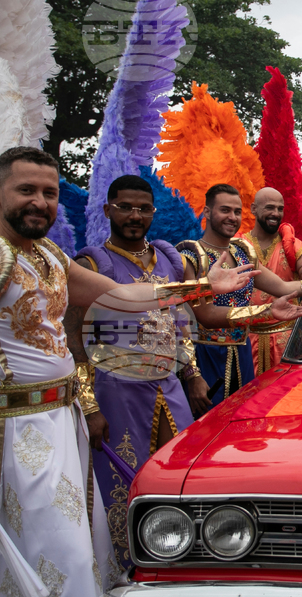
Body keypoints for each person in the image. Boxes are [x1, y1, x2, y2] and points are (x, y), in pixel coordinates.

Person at [0, 147, 261, 597]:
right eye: (25, 191)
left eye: (49, 193)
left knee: (74, 547)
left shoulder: (47, 255)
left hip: (61, 420)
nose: (40, 202)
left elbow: (124, 295)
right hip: (19, 429)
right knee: (55, 551)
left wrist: (204, 286)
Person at [69, 175, 202, 568]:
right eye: (125, 207)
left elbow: (179, 321)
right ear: (108, 209)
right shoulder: (92, 263)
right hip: (116, 390)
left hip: (168, 386)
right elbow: (73, 337)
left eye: (143, 208)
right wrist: (89, 405)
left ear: (153, 213)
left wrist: (191, 372)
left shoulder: (167, 259)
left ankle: (182, 560)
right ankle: (130, 568)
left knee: (177, 476)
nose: (134, 215)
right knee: (122, 481)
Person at [177, 184, 302, 407]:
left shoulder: (242, 252)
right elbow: (206, 315)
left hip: (242, 353)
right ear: (208, 212)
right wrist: (266, 311)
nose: (232, 217)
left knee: (243, 422)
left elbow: (282, 286)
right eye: (225, 210)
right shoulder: (191, 255)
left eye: (237, 212)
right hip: (207, 355)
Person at [239, 188, 302, 374]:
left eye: (280, 208)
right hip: (247, 341)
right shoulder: (239, 246)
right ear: (253, 209)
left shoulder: (293, 245)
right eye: (269, 208)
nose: (275, 214)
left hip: (287, 341)